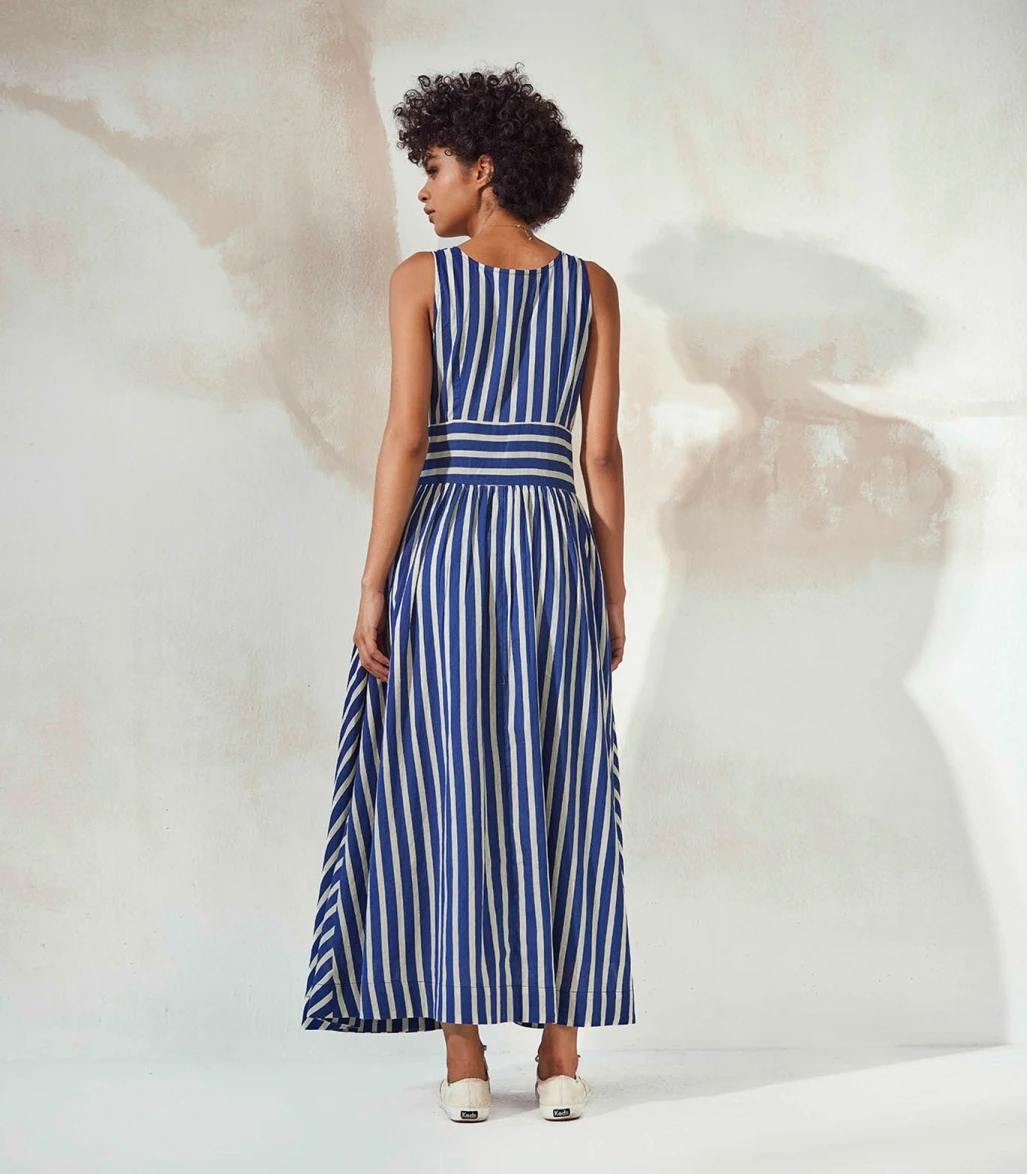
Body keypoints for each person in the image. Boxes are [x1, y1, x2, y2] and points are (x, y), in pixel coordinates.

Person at [300, 63, 634, 1123]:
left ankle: (464, 1062)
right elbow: (600, 455)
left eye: (434, 167)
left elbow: (406, 439)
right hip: (552, 553)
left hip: (444, 549)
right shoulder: (590, 287)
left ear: (484, 169)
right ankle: (562, 1056)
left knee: (448, 780)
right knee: (562, 781)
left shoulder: (423, 280)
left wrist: (371, 584)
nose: (422, 188)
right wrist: (613, 589)